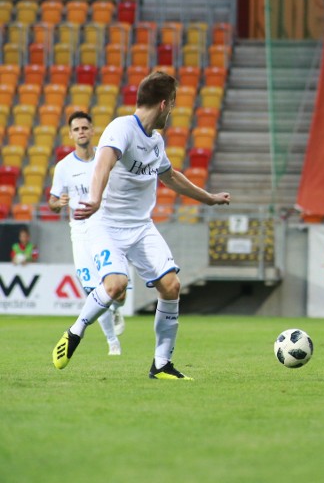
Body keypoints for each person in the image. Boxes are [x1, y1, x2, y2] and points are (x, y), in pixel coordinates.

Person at [52, 71, 231, 380]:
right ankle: (76, 330)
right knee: (115, 286)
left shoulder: (155, 141)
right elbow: (104, 163)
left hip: (141, 228)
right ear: (163, 104)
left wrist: (209, 198)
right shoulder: (121, 128)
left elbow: (171, 177)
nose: (173, 110)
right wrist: (94, 199)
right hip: (106, 224)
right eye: (172, 103)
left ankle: (161, 364)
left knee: (171, 286)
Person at [49, 111, 126, 356]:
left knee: (119, 293)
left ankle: (115, 308)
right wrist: (58, 202)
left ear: (92, 131)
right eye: (76, 129)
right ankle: (112, 343)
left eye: (85, 127)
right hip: (80, 232)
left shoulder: (104, 160)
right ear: (71, 134)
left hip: (106, 226)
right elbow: (51, 201)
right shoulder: (63, 167)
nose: (81, 132)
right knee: (93, 289)